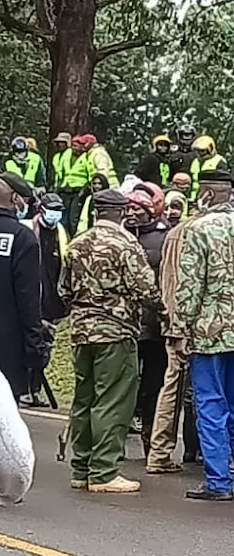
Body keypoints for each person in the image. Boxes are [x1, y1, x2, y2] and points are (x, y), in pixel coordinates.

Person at [171, 170, 234, 501]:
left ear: (207, 195)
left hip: (209, 333)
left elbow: (190, 286)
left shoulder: (197, 230)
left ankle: (219, 481)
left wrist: (181, 328)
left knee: (211, 406)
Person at [58, 189, 162, 493]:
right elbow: (147, 290)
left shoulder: (77, 245)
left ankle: (81, 467)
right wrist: (164, 312)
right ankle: (103, 472)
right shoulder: (126, 243)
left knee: (84, 398)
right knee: (113, 399)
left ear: (95, 212)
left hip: (81, 331)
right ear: (122, 212)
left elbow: (63, 290)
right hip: (115, 331)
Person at [146, 200, 201, 474]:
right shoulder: (195, 233)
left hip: (173, 318)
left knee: (173, 387)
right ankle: (161, 452)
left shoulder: (175, 232)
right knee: (178, 387)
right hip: (186, 321)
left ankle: (160, 450)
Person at [123, 190, 169, 457]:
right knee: (123, 384)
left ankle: (151, 441)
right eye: (127, 208)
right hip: (125, 323)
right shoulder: (119, 236)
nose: (130, 213)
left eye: (136, 208)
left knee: (154, 384)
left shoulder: (165, 238)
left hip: (154, 324)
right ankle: (114, 441)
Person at [19, 193, 69, 407]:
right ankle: (22, 389)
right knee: (24, 344)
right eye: (51, 209)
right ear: (41, 209)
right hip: (29, 297)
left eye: (59, 210)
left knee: (44, 347)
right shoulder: (28, 229)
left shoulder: (60, 232)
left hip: (51, 300)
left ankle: (35, 390)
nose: (55, 215)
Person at [0, 172, 47, 401]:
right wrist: (35, 346)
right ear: (16, 199)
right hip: (7, 347)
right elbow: (28, 299)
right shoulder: (21, 238)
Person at [58, 136, 92, 235]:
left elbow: (90, 174)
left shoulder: (86, 157)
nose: (75, 148)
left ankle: (74, 238)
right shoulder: (66, 154)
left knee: (74, 218)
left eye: (77, 146)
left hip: (79, 191)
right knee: (64, 218)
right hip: (65, 189)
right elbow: (61, 170)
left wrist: (85, 190)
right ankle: (63, 239)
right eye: (73, 146)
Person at [189, 136, 228, 201]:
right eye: (197, 151)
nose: (199, 153)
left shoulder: (219, 161)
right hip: (194, 198)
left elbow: (222, 185)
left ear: (210, 149)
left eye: (202, 151)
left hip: (211, 198)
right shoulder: (195, 161)